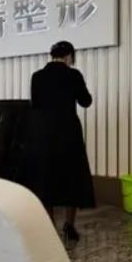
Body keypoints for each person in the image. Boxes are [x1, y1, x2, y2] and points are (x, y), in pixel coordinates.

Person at [23, 41, 95, 244]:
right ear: (69, 56)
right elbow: (86, 101)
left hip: (44, 133)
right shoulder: (73, 75)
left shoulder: (37, 76)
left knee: (46, 177)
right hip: (68, 132)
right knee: (73, 176)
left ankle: (51, 227)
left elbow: (35, 105)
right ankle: (69, 225)